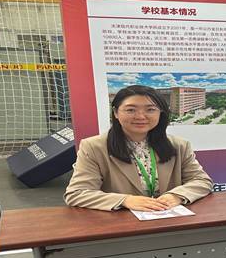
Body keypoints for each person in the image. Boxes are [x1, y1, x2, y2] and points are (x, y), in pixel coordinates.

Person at [64, 85, 213, 211]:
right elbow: (77, 193)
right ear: (115, 113)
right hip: (122, 225)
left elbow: (202, 181)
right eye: (131, 110)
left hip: (168, 221)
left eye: (150, 110)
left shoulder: (179, 145)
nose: (141, 116)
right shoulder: (93, 147)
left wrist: (177, 196)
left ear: (161, 113)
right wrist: (125, 200)